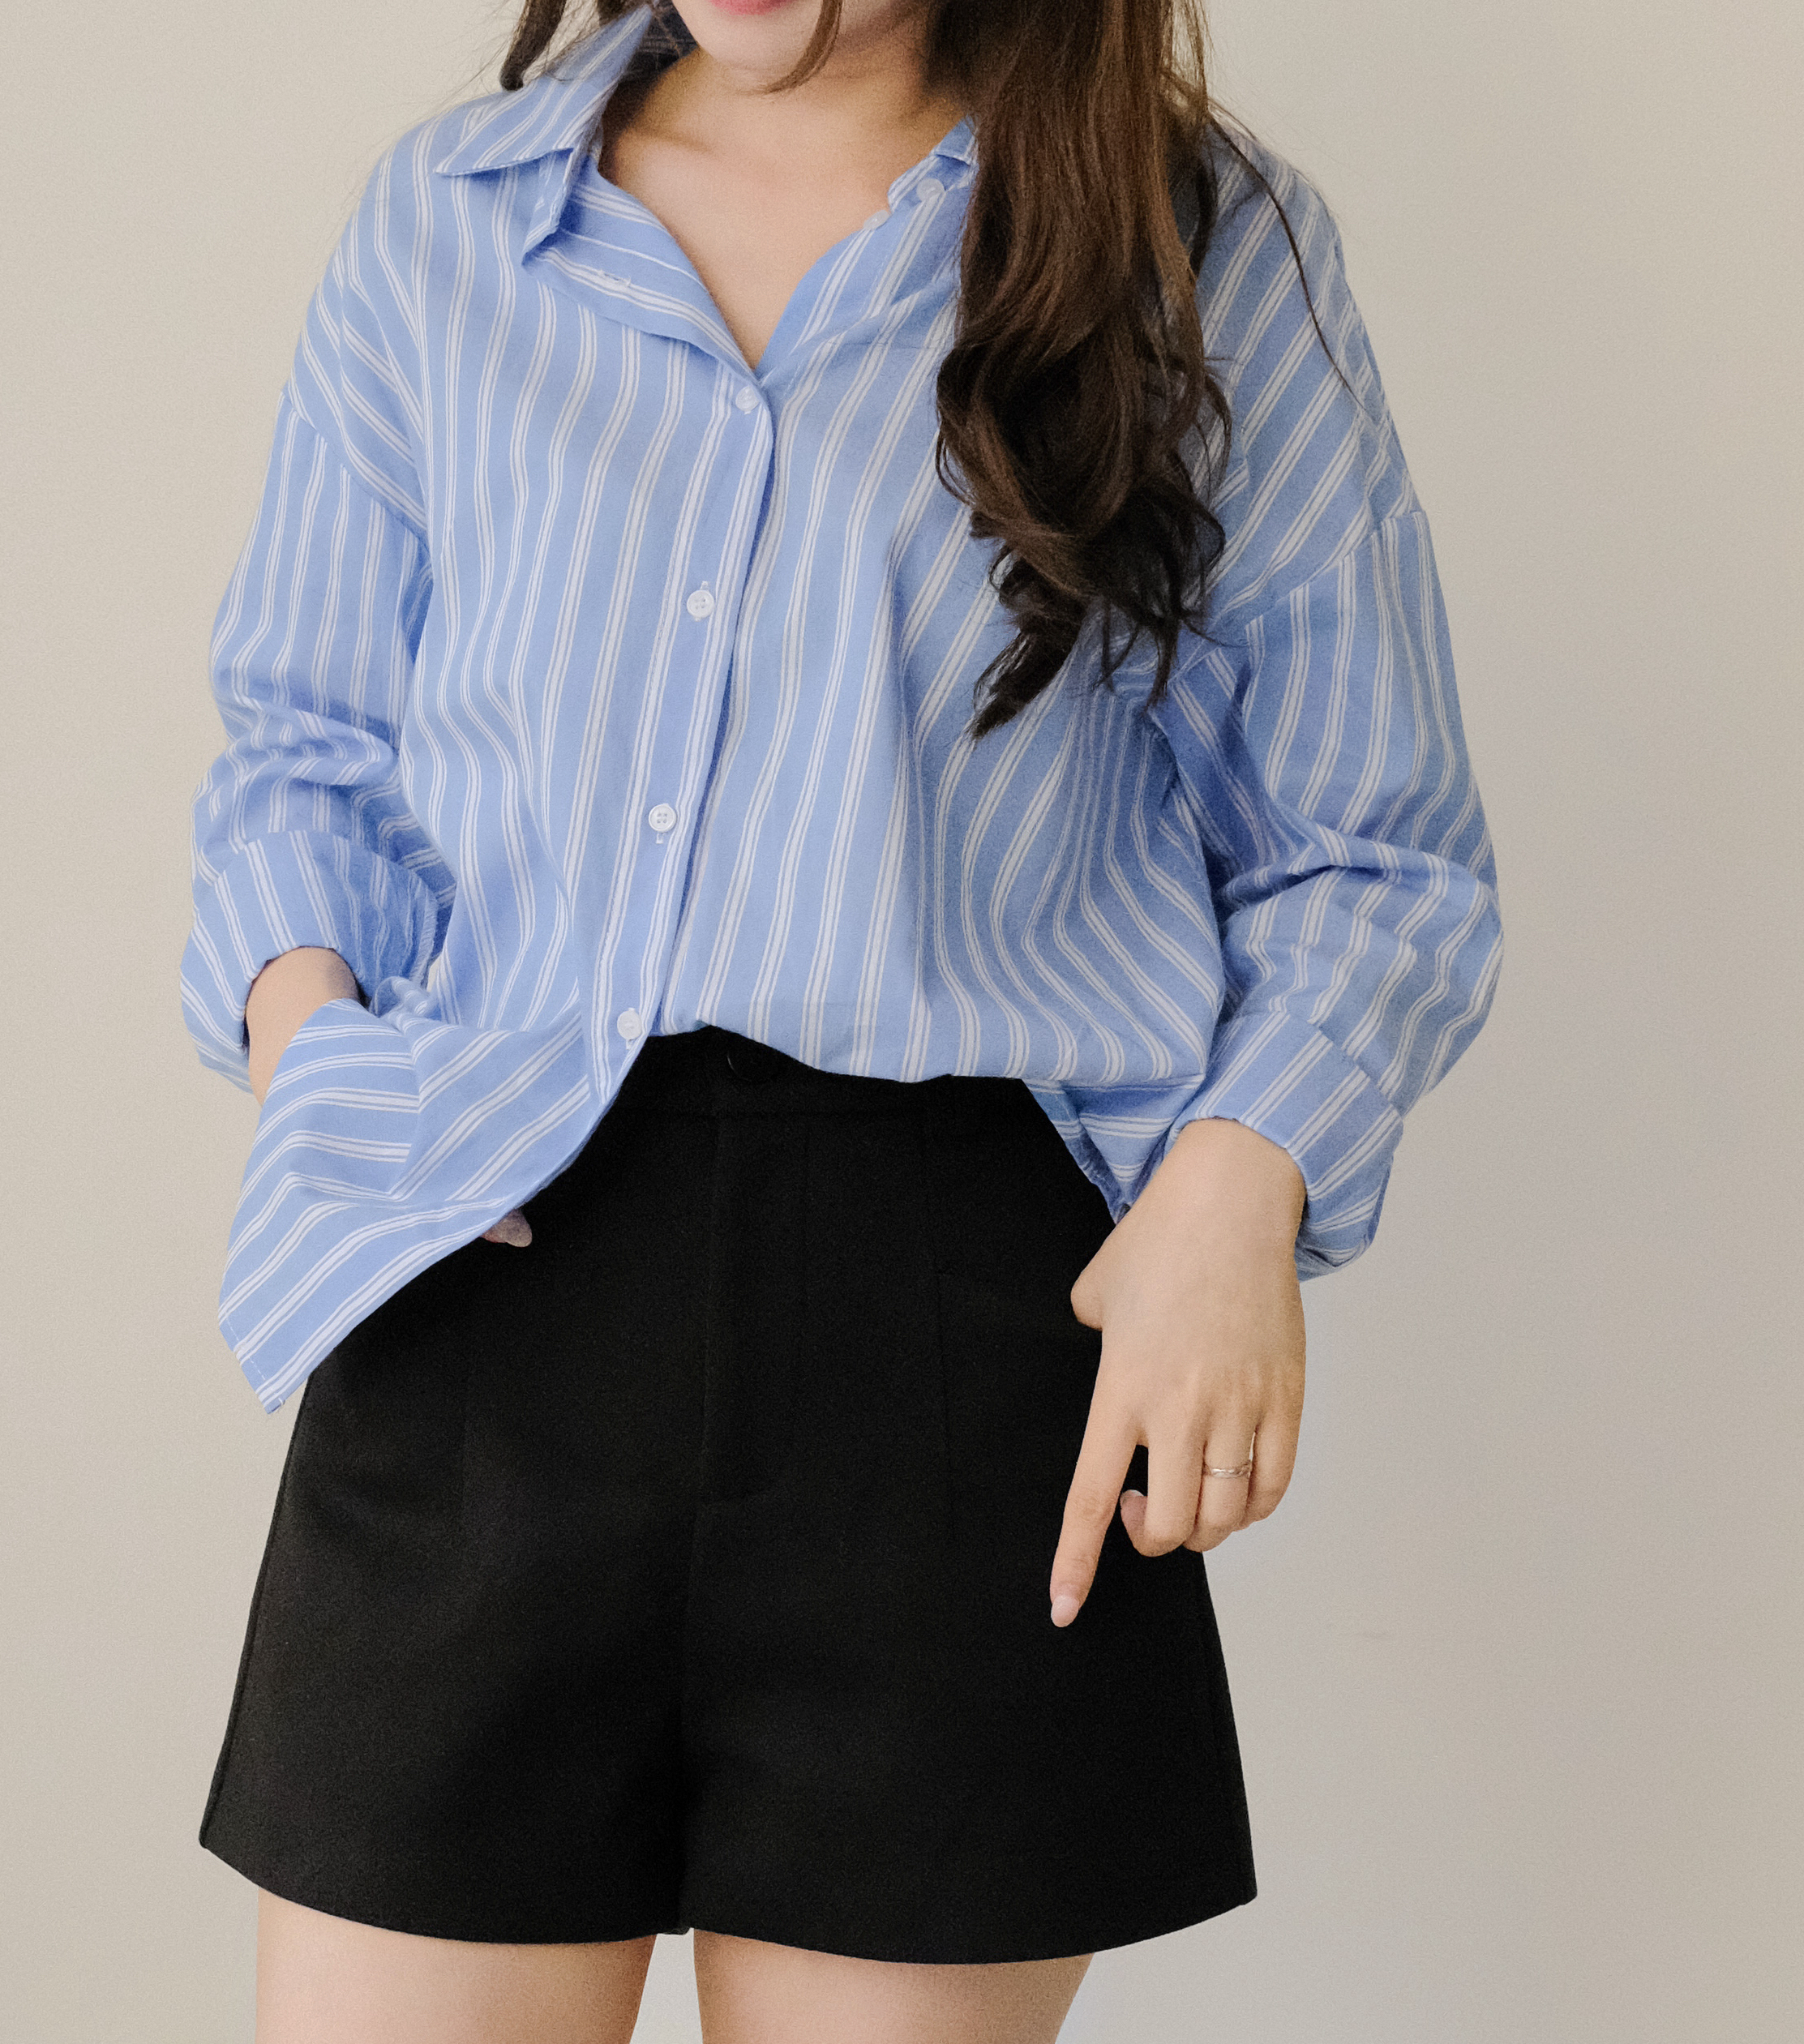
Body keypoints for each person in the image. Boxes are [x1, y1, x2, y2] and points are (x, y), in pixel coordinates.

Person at [178, 0, 1502, 2036]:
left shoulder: (1190, 247)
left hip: (955, 1360)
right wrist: (321, 1070)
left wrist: (1238, 1190)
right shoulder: (452, 223)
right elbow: (305, 749)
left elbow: (1372, 844)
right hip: (480, 1297)